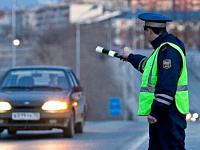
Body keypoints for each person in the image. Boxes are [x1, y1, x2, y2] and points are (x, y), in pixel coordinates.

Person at [118, 13, 189, 150]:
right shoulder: (162, 49)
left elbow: (167, 86)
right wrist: (130, 57)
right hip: (165, 114)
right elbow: (148, 66)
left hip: (169, 114)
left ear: (148, 30)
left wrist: (155, 112)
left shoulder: (168, 51)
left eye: (145, 32)